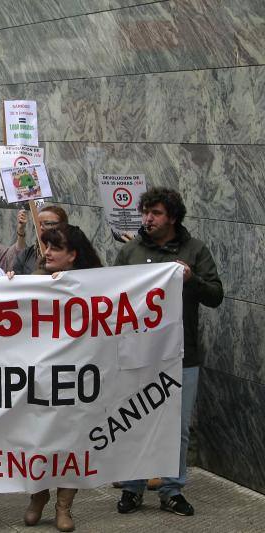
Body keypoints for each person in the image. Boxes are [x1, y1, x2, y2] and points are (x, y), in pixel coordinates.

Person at [115, 187, 223, 517]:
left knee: (177, 426)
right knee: (135, 420)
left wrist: (191, 279)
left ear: (172, 217)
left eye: (156, 213)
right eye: (145, 212)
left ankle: (172, 489)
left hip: (181, 354)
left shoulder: (194, 250)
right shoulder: (131, 251)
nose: (148, 218)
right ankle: (132, 486)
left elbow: (216, 295)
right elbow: (111, 293)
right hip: (138, 353)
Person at [20, 224, 102, 532]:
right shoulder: (33, 282)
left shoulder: (94, 286)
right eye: (46, 247)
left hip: (75, 377)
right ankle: (37, 498)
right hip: (37, 377)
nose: (48, 253)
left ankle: (64, 506)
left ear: (73, 256)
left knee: (71, 442)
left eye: (55, 248)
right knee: (35, 441)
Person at [13, 205, 68, 275]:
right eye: (38, 224)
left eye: (47, 223)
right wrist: (11, 277)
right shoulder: (26, 254)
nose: (41, 228)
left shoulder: (73, 255)